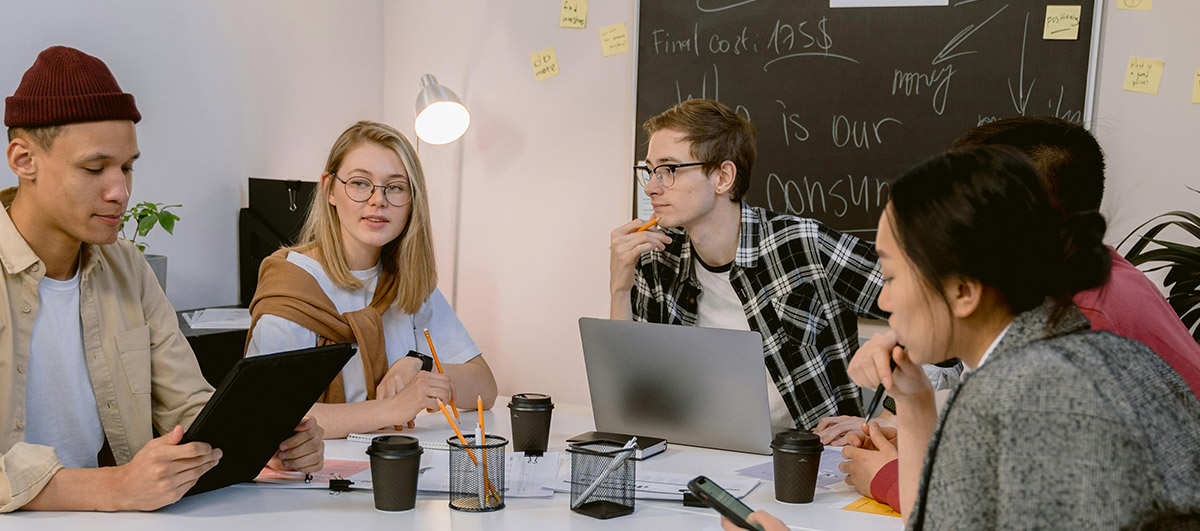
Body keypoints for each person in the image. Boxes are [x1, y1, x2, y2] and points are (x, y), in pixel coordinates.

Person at [749, 145, 1200, 528]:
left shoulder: (1010, 393)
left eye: (891, 276)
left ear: (963, 292)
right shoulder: (1103, 351)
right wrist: (914, 402)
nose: (883, 300)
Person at [1, 46, 325, 513]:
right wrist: (114, 487)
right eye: (94, 168)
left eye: (127, 167)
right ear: (23, 160)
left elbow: (188, 403)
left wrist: (260, 439)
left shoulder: (128, 267)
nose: (120, 191)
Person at [609, 99, 886, 432]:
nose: (651, 188)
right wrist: (619, 288)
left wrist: (887, 420)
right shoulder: (657, 255)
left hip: (807, 451)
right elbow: (632, 400)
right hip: (699, 445)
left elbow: (931, 311)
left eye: (669, 170)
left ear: (723, 177)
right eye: (650, 170)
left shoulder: (803, 244)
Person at [245, 120, 497, 439]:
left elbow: (485, 388)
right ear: (329, 189)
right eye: (360, 183)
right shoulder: (292, 285)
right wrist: (392, 409)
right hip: (315, 466)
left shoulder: (406, 282)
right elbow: (269, 413)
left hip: (395, 456)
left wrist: (422, 366)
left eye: (395, 187)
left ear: (413, 200)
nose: (378, 200)